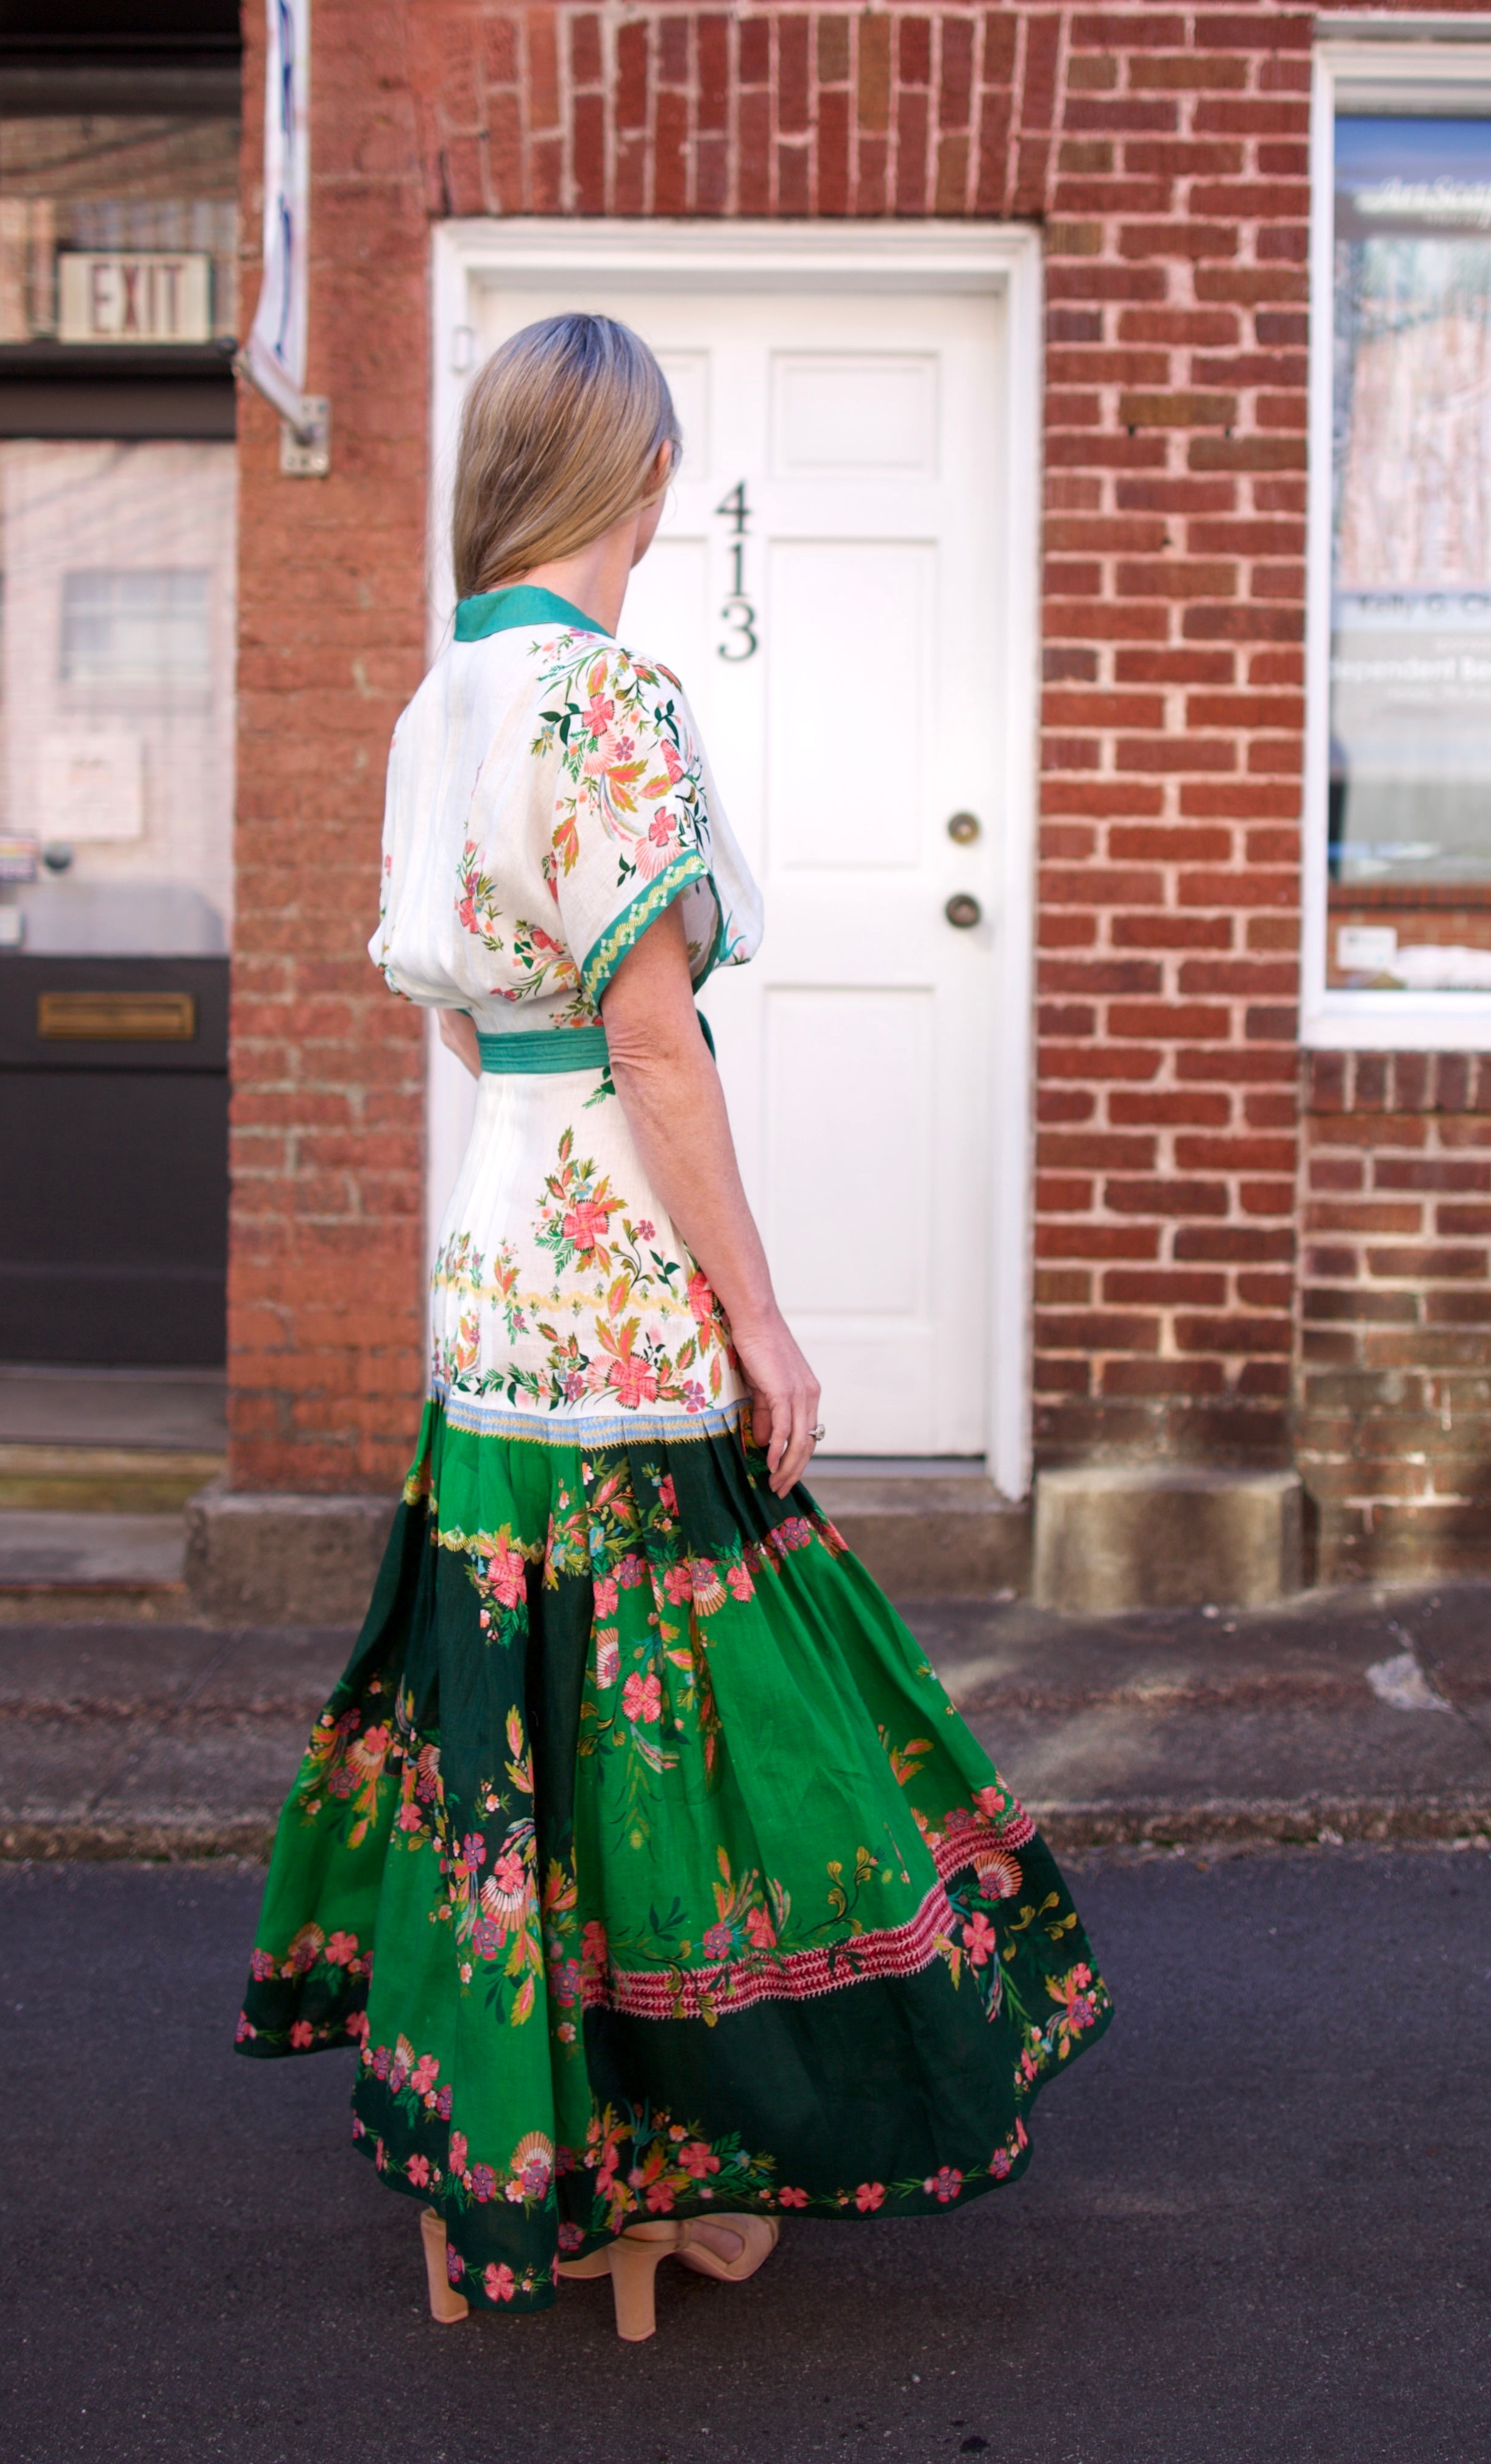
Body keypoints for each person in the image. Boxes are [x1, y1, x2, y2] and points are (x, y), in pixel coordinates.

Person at [235, 312, 1113, 2340]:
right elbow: (659, 1040)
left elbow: (465, 1013)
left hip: (491, 1277)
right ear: (637, 479)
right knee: (682, 1725)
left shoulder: (438, 706)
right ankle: (663, 2162)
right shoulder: (613, 702)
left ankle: (507, 2149)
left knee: (516, 1719)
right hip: (620, 1285)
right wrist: (766, 1314)